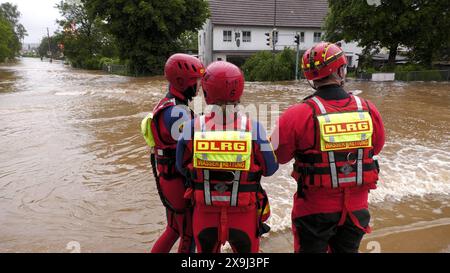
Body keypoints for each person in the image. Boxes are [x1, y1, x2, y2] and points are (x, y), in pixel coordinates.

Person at [271, 42, 385, 253]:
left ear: (311, 78)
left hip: (314, 212)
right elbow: (376, 148)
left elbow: (278, 156)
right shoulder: (368, 109)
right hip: (357, 210)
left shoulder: (297, 114)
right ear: (341, 70)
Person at [176, 61, 278, 253]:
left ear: (206, 93)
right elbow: (271, 169)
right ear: (239, 91)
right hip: (244, 216)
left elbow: (181, 168)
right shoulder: (254, 129)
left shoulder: (191, 128)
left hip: (204, 214)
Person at [140, 53, 205, 253]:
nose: (199, 86)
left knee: (174, 229)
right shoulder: (177, 112)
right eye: (195, 82)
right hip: (177, 182)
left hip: (168, 179)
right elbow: (196, 148)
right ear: (180, 81)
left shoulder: (168, 104)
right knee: (188, 234)